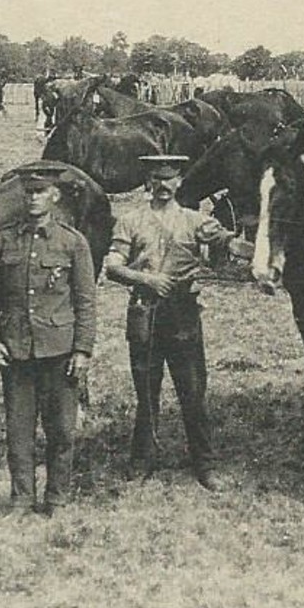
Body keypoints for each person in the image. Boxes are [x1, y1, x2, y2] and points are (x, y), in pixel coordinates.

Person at [103, 154, 237, 490]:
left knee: (193, 391)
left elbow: (229, 245)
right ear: (149, 182)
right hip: (145, 311)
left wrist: (242, 241)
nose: (163, 186)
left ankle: (205, 464)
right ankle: (142, 459)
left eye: (170, 179)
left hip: (183, 314)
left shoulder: (195, 221)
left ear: (179, 183)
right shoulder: (130, 220)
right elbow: (112, 266)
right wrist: (146, 280)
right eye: (157, 179)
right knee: (146, 391)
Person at [0, 164, 98, 516]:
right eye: (28, 193)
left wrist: (83, 349)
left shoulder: (72, 242)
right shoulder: (1, 240)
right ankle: (21, 498)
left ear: (54, 196)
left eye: (40, 192)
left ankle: (57, 498)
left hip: (59, 349)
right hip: (16, 349)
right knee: (18, 430)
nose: (32, 198)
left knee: (60, 431)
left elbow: (85, 301)